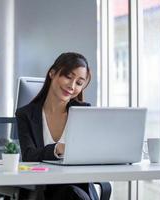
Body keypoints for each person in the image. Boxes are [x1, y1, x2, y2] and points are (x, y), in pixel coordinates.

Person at [15, 52, 99, 200]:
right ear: (52, 73)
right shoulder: (25, 114)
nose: (72, 86)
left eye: (79, 83)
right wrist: (57, 149)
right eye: (68, 77)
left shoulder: (84, 111)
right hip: (42, 189)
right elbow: (29, 155)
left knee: (71, 193)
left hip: (78, 185)